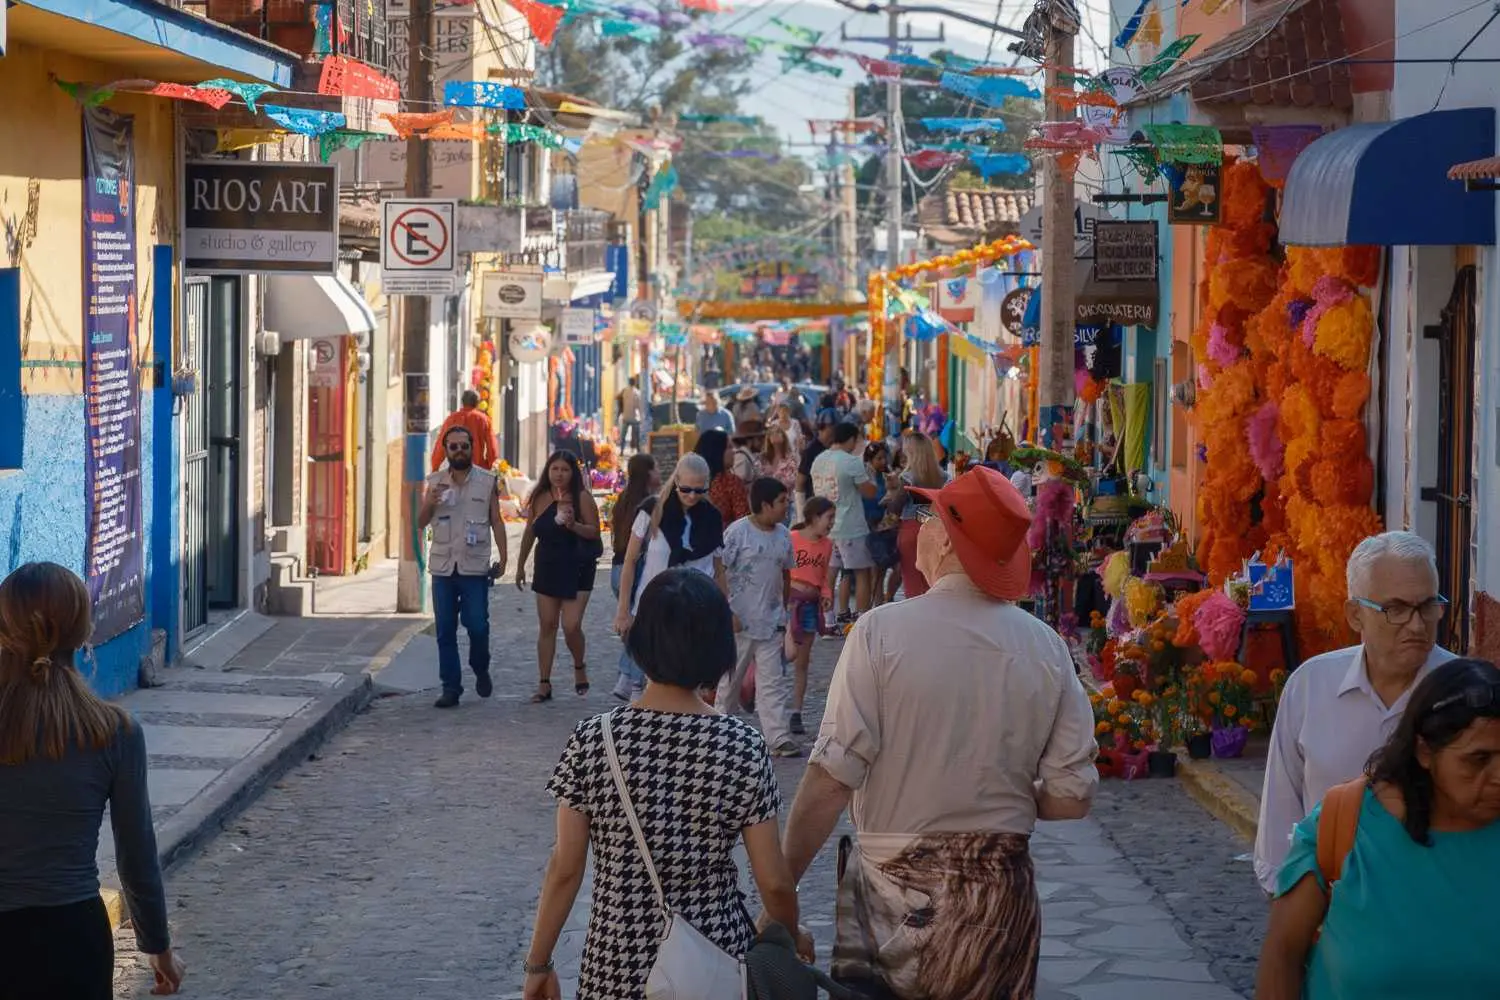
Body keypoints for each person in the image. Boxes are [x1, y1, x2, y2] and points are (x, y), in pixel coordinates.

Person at [779, 467, 1097, 999]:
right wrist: (1006, 796)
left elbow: (832, 779)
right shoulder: (1045, 647)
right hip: (998, 900)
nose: (918, 527)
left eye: (927, 517)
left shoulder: (881, 633)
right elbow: (1072, 796)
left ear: (946, 540)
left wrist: (781, 890)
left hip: (892, 893)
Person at [524, 569, 805, 1000]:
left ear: (642, 642)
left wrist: (539, 964)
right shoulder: (742, 745)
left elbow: (565, 869)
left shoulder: (593, 740)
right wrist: (789, 936)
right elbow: (775, 883)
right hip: (715, 963)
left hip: (615, 964)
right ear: (716, 650)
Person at [1254, 657, 1500, 1000]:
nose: (1498, 777)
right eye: (1478, 759)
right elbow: (1282, 957)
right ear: (1425, 751)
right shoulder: (1345, 826)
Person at [0, 562, 186, 999]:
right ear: (84, 633)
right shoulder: (114, 732)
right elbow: (137, 856)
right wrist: (158, 949)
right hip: (73, 940)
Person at [1254, 531, 1455, 892]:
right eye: (1395, 609)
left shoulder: (1466, 693)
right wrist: (1295, 908)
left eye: (1427, 606)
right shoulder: (1310, 687)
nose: (1416, 624)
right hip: (1328, 909)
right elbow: (1279, 824)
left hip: (1437, 910)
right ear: (1355, 615)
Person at [420, 426, 509, 709]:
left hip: (474, 568)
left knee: (478, 626)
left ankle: (480, 667)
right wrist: (429, 503)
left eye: (464, 446)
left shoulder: (487, 481)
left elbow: (496, 520)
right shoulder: (434, 482)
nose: (459, 451)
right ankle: (451, 687)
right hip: (443, 568)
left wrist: (504, 558)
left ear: (473, 448)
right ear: (446, 451)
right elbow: (420, 523)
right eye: (453, 447)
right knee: (445, 631)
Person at [716, 478, 800, 758]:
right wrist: (726, 611)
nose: (786, 506)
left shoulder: (784, 536)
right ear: (765, 505)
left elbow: (786, 573)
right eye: (781, 501)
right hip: (739, 621)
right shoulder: (738, 533)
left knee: (772, 681)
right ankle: (718, 730)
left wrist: (784, 611)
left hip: (771, 620)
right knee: (730, 680)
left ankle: (777, 736)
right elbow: (721, 571)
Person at [516, 451, 602, 704]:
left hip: (577, 567)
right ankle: (544, 682)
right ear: (548, 470)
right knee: (548, 624)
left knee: (571, 625)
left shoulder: (582, 498)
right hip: (548, 565)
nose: (559, 474)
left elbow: (594, 532)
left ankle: (579, 664)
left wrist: (573, 525)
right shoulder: (539, 497)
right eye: (555, 469)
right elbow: (530, 532)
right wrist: (520, 565)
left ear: (572, 473)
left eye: (565, 469)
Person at [614, 453, 727, 640]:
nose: (692, 495)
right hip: (655, 607)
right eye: (686, 489)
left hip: (699, 608)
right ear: (676, 481)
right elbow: (630, 560)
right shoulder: (652, 510)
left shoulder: (712, 517)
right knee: (657, 667)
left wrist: (725, 612)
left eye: (699, 490)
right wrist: (623, 611)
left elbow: (719, 570)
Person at [810, 422, 876, 624]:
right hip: (851, 527)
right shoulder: (851, 462)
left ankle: (828, 620)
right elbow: (869, 492)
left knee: (830, 574)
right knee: (862, 573)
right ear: (850, 439)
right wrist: (871, 473)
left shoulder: (818, 459)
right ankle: (861, 621)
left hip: (826, 527)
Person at [609, 453, 658, 702]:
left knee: (633, 626)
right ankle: (632, 681)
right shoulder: (647, 505)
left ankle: (629, 679)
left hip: (616, 568)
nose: (660, 474)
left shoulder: (623, 499)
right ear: (648, 473)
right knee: (639, 627)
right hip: (633, 568)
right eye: (657, 469)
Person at [786, 496, 836, 736]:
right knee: (784, 654)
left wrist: (826, 594)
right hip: (789, 604)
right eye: (829, 518)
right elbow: (782, 570)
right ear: (814, 517)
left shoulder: (827, 544)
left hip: (810, 606)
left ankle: (796, 712)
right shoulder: (792, 539)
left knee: (802, 662)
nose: (832, 523)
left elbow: (824, 574)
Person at [889, 431, 944, 599]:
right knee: (931, 577)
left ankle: (913, 620)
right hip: (934, 528)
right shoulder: (943, 476)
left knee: (912, 579)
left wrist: (890, 496)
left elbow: (895, 507)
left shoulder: (908, 477)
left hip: (911, 528)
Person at [861, 441, 901, 607]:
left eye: (885, 458)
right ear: (870, 460)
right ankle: (877, 605)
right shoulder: (865, 477)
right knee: (877, 570)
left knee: (898, 568)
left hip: (891, 528)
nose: (883, 462)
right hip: (874, 528)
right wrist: (881, 502)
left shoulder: (890, 474)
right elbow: (866, 502)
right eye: (879, 458)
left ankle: (888, 597)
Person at [429, 389, 498, 473]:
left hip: (456, 470)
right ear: (477, 403)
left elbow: (440, 446)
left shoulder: (451, 419)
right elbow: (492, 449)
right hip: (478, 469)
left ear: (462, 402)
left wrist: (435, 468)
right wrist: (489, 467)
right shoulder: (483, 419)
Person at [694, 428, 750, 525]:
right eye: (729, 447)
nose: (734, 451)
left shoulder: (688, 480)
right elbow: (743, 523)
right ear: (717, 451)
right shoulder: (731, 482)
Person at [796, 410, 838, 513]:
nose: (833, 432)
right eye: (831, 428)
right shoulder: (811, 451)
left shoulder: (835, 448)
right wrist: (801, 513)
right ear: (823, 428)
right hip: (815, 505)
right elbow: (800, 482)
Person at [761, 423, 800, 519]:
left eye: (778, 432)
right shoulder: (763, 458)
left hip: (785, 501)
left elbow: (792, 480)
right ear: (768, 438)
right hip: (766, 501)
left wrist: (773, 479)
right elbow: (758, 477)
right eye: (772, 433)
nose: (775, 434)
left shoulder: (790, 457)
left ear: (784, 437)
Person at [730, 418, 766, 483]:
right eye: (759, 439)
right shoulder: (741, 457)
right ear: (749, 440)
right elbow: (739, 483)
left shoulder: (752, 455)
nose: (762, 442)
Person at [616, 377, 644, 452]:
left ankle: (622, 450)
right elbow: (639, 407)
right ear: (635, 383)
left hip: (626, 416)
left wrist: (619, 413)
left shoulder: (624, 391)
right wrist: (641, 417)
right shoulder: (637, 393)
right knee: (637, 435)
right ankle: (638, 450)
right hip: (635, 417)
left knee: (623, 435)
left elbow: (618, 399)